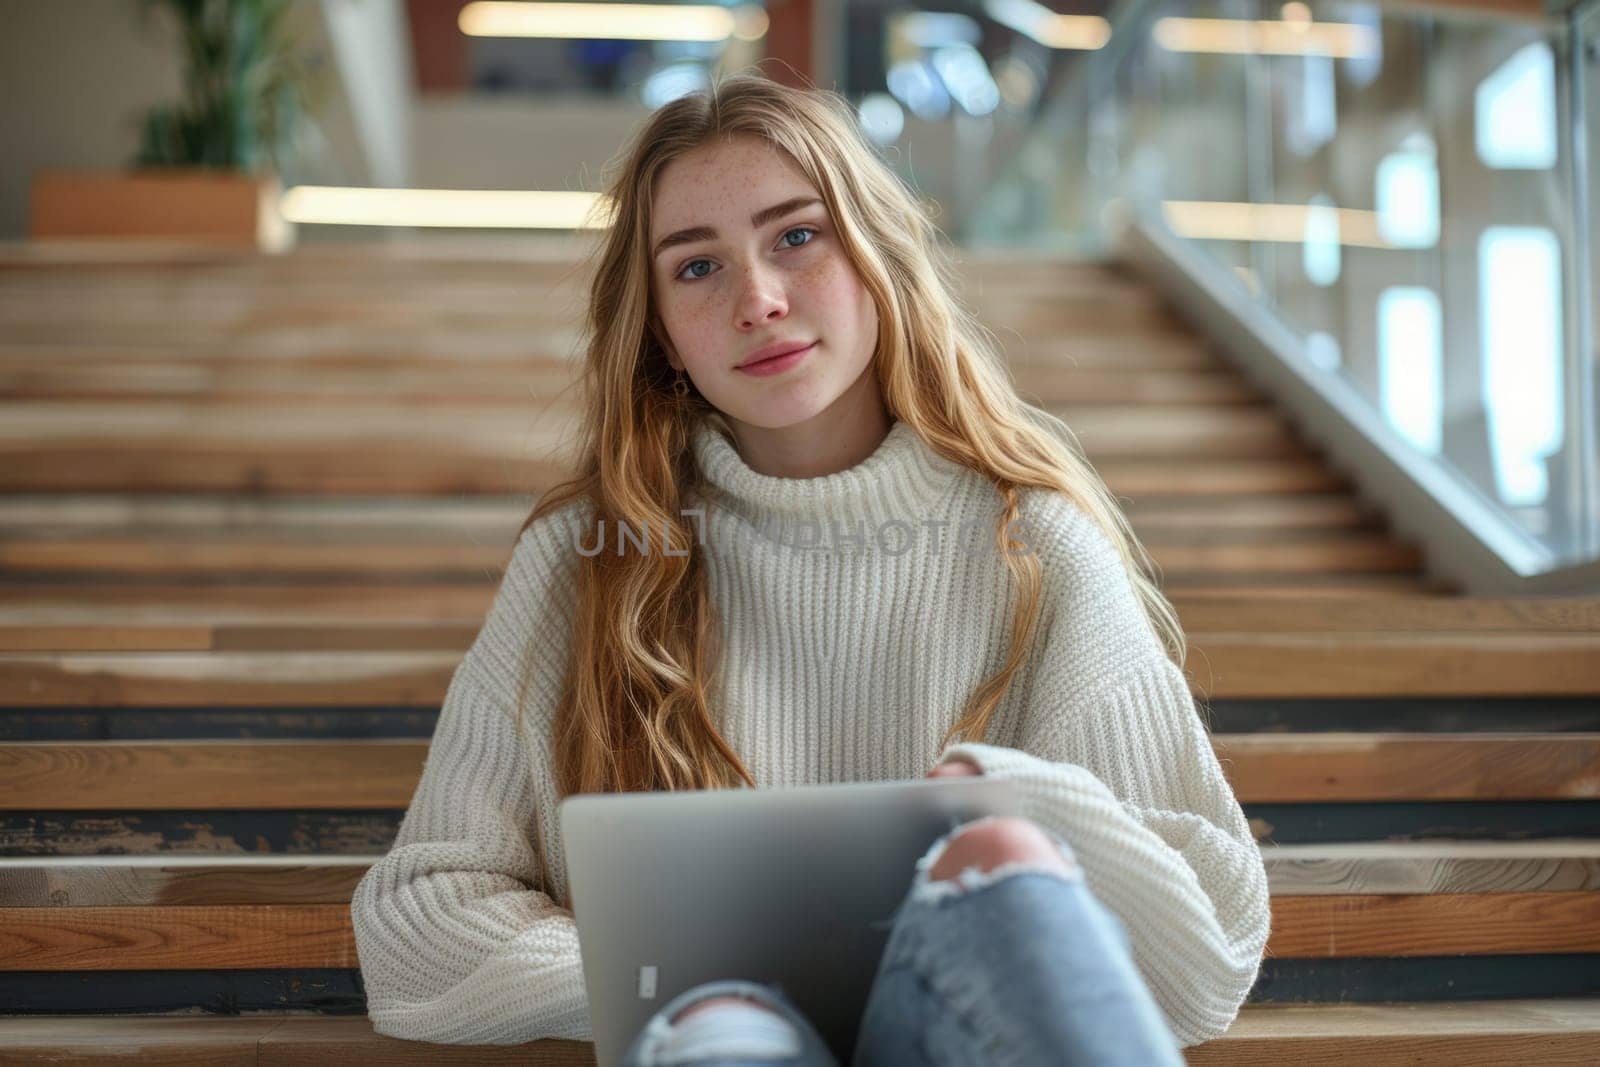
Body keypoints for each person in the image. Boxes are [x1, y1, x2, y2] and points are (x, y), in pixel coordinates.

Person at [349, 70, 1271, 1065]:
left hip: (962, 1022)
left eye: (797, 236)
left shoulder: (1035, 543)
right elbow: (416, 932)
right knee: (717, 1024)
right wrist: (697, 978)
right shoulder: (585, 561)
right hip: (725, 1043)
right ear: (660, 331)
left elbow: (1209, 944)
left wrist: (1010, 809)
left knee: (999, 861)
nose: (759, 299)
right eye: (696, 267)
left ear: (877, 255)